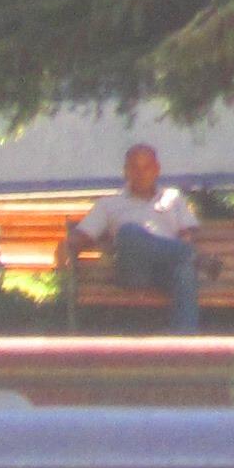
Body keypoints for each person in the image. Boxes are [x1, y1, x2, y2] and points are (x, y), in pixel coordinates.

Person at [76, 142, 203, 331]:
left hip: (165, 271)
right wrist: (66, 245)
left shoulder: (173, 198)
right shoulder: (109, 204)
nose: (141, 173)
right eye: (134, 167)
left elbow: (188, 232)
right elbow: (83, 235)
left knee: (185, 272)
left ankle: (184, 344)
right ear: (125, 171)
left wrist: (185, 241)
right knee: (129, 232)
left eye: (147, 167)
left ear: (157, 170)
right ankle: (193, 256)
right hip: (133, 272)